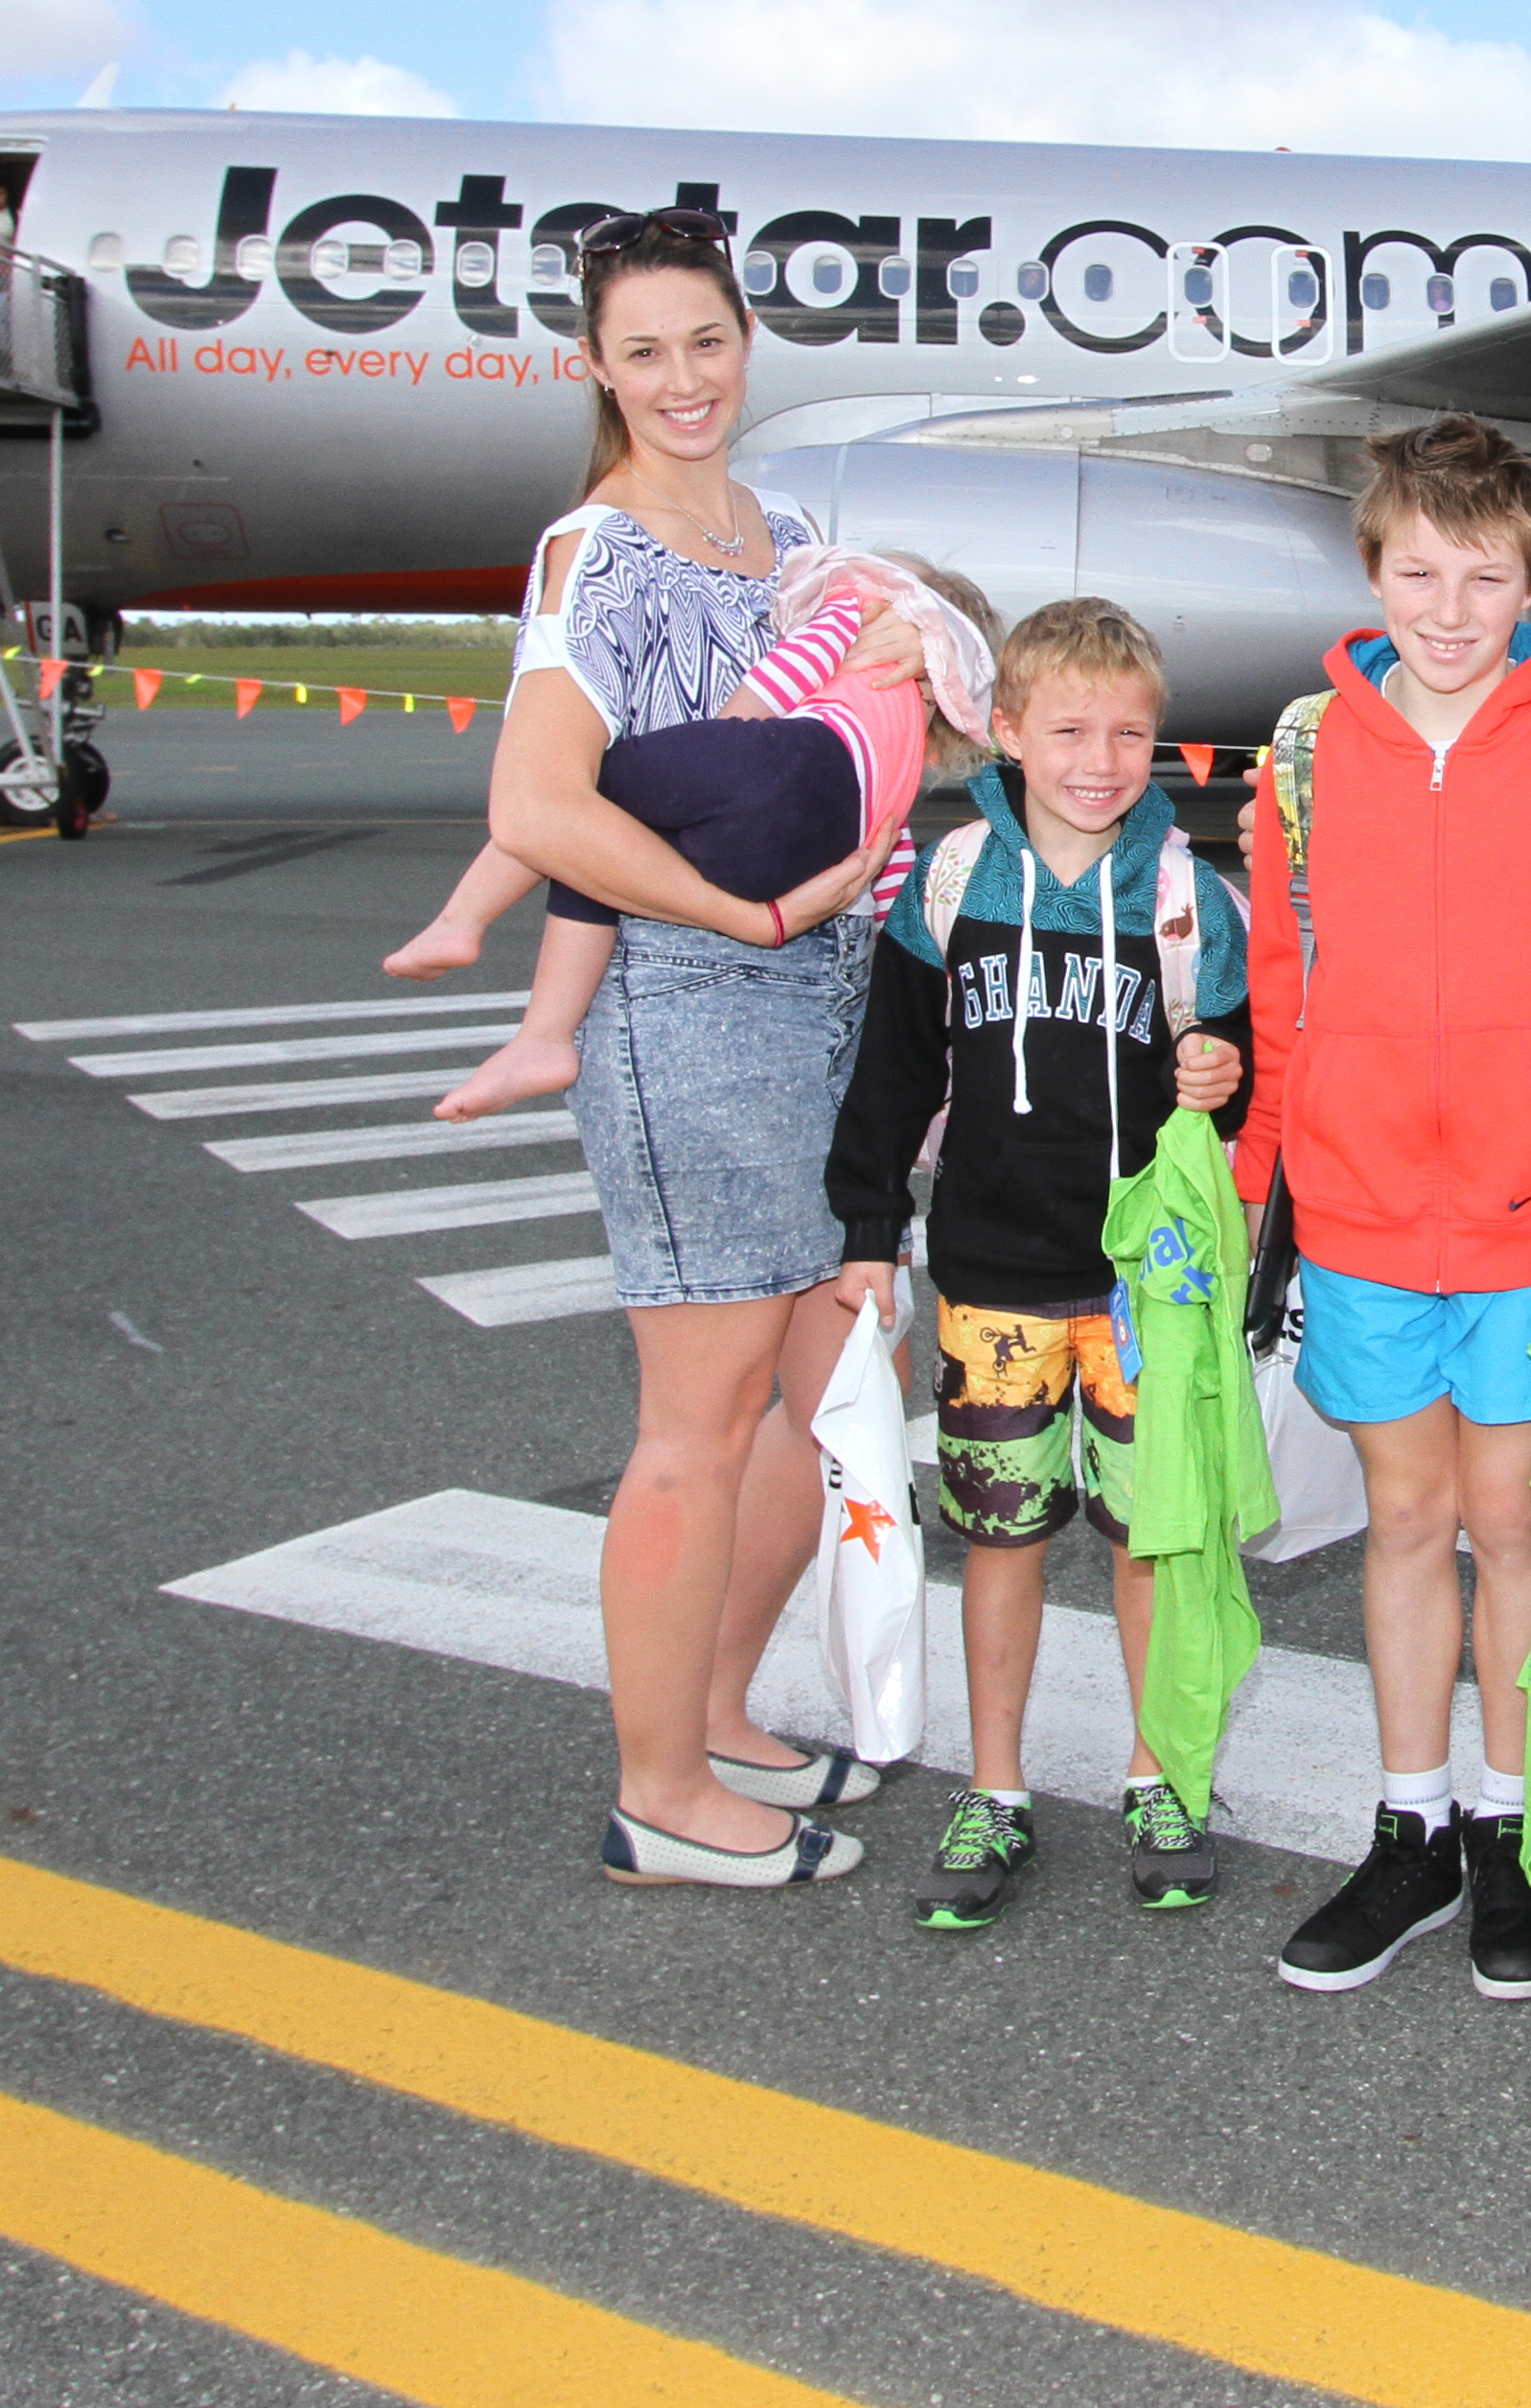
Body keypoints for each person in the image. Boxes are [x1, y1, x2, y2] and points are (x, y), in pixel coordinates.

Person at [489, 208, 932, 1893]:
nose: (683, 380)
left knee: (817, 1392)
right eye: (644, 350)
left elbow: (867, 735)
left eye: (707, 341)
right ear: (595, 367)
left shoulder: (789, 531)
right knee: (697, 1415)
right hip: (692, 999)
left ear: (747, 341)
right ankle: (657, 1789)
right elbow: (536, 808)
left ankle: (723, 1709)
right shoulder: (592, 554)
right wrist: (733, 916)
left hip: (818, 992)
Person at [1233, 418, 1531, 2005]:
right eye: (1414, 570)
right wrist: (1250, 1197)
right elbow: (1283, 1011)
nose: (1444, 603)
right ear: (1369, 567)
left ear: (1528, 578)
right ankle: (1409, 1828)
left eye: (1480, 574)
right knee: (1402, 1525)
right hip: (1358, 1229)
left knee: (1510, 1533)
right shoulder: (1298, 756)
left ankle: (1512, 1827)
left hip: (1529, 1235)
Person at [826, 596, 1255, 1935]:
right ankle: (996, 1788)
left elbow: (1235, 1095)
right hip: (992, 1281)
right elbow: (891, 1075)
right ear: (1004, 730)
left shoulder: (1189, 896)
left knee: (1147, 1539)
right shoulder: (953, 881)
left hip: (1142, 1294)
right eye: (1067, 727)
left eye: (1131, 731)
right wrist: (862, 1236)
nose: (1100, 756)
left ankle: (1156, 1774)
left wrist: (1220, 1079)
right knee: (1001, 1536)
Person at [389, 546, 986, 1124]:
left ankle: (468, 929)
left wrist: (726, 739)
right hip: (807, 861)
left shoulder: (865, 603)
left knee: (577, 803)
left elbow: (791, 666)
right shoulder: (905, 760)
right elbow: (890, 867)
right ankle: (542, 1038)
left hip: (778, 763)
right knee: (614, 855)